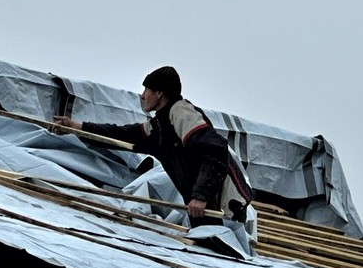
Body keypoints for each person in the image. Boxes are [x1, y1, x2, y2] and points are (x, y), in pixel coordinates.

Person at [52, 66, 254, 227]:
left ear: (159, 93)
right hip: (204, 206)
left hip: (226, 208)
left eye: (146, 90)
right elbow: (123, 134)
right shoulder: (160, 126)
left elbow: (215, 150)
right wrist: (78, 127)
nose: (142, 96)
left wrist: (200, 196)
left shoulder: (182, 113)